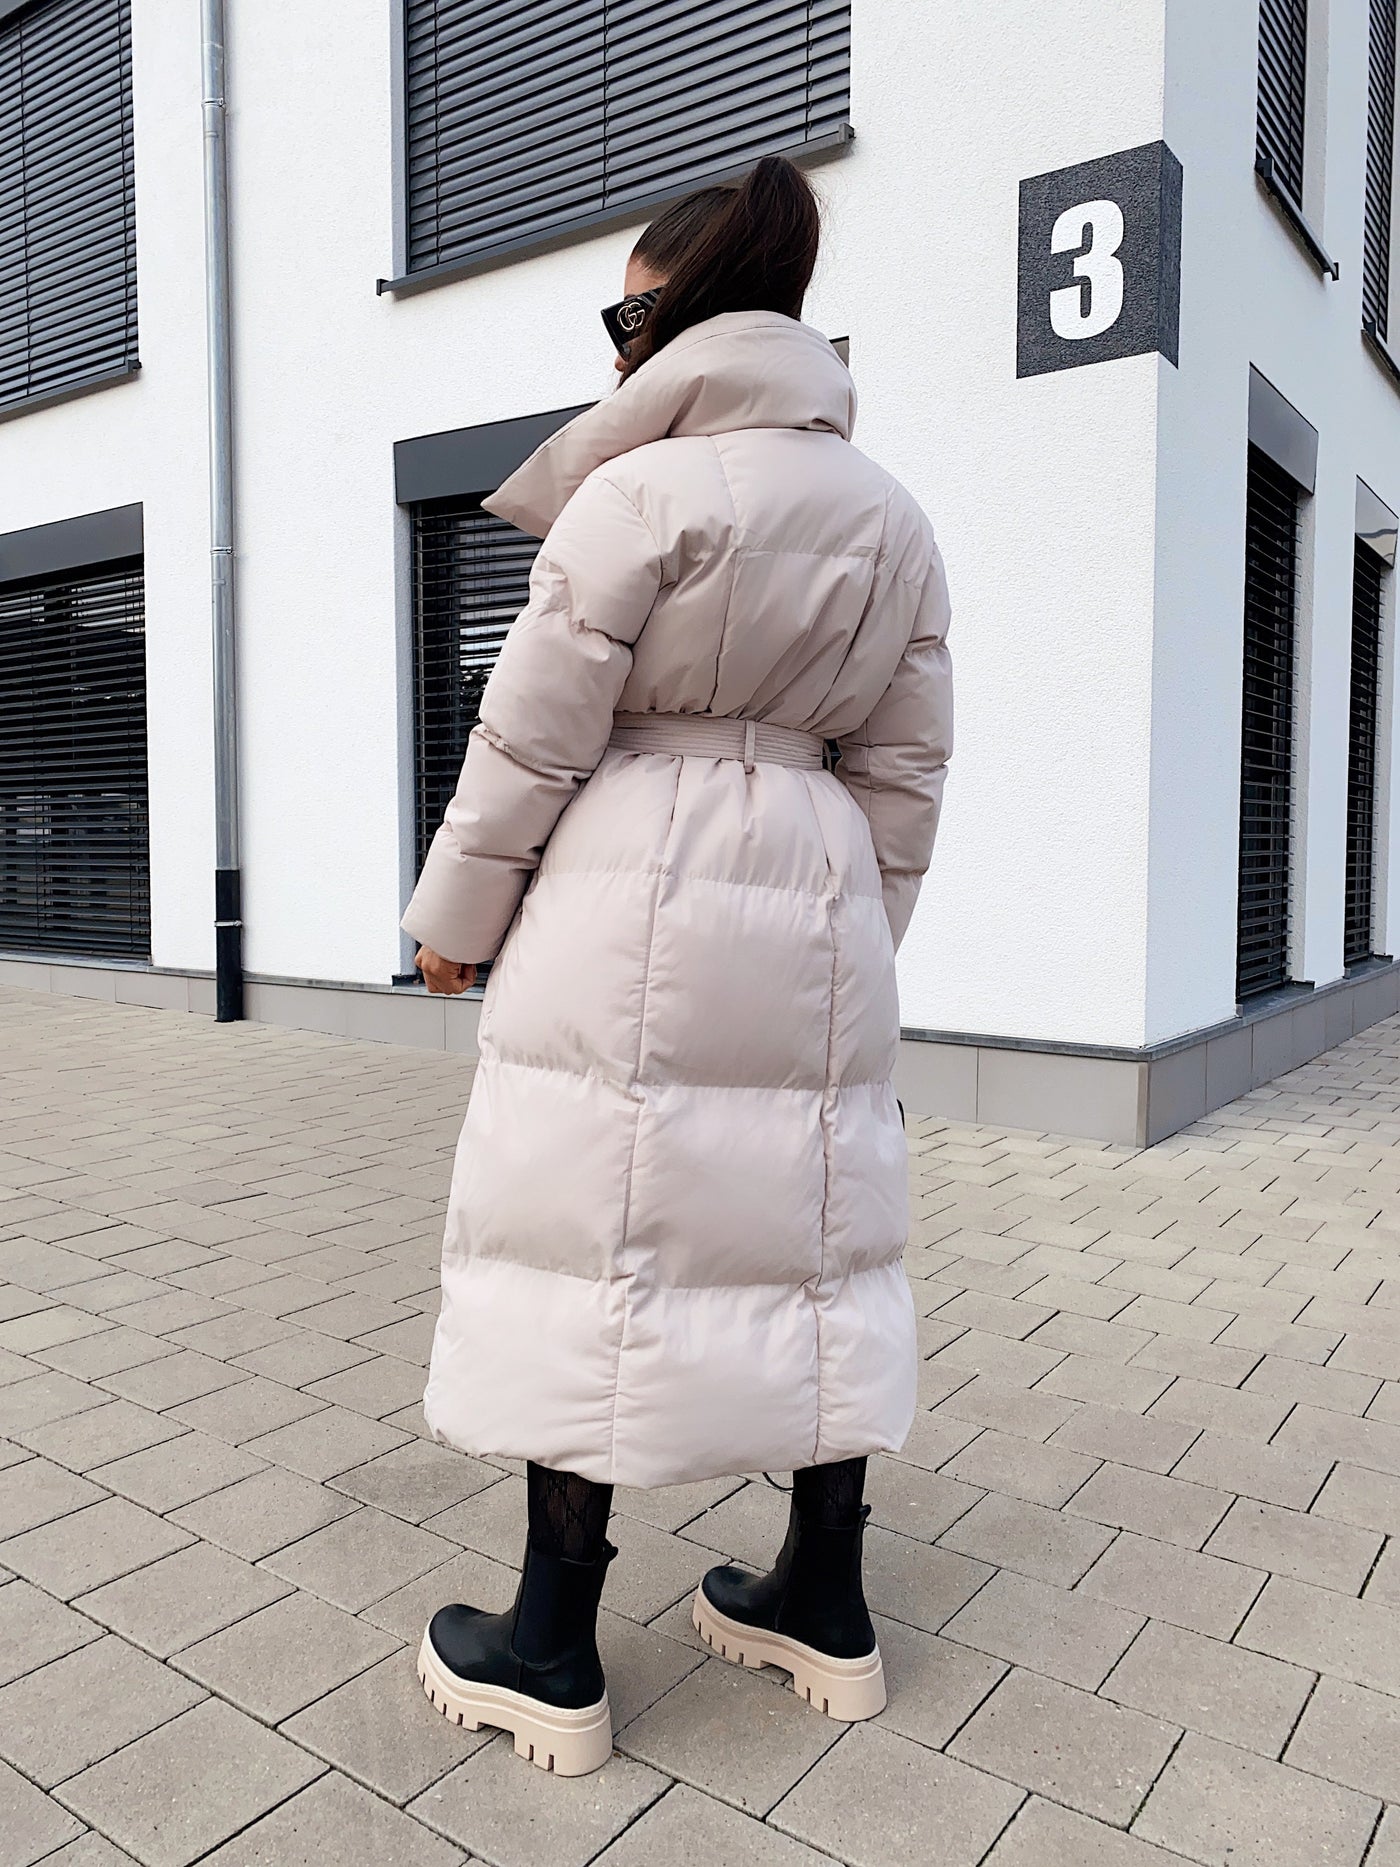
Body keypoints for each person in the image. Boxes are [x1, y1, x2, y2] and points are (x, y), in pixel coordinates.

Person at [402, 154, 953, 1776]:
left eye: (625, 307)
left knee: (598, 1238)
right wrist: (862, 939)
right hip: (817, 884)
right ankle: (824, 1604)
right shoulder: (891, 513)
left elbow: (534, 733)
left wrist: (453, 921)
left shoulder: (640, 493)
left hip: (628, 877)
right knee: (822, 1240)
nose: (616, 341)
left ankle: (552, 1645)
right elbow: (908, 773)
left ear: (679, 313)